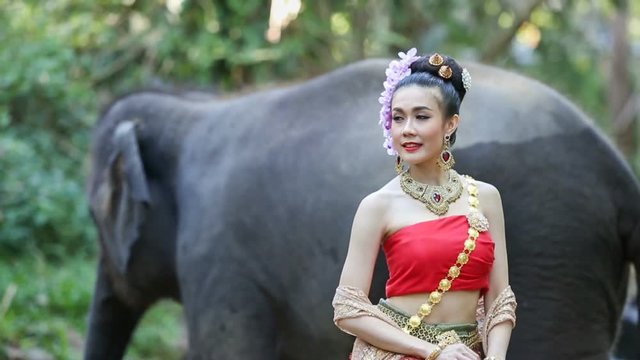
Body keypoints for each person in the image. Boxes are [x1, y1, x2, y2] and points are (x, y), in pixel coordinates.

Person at [332, 49, 517, 360]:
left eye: (421, 116)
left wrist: (495, 357)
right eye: (398, 117)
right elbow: (347, 307)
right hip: (399, 353)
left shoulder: (485, 198)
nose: (407, 129)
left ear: (450, 124)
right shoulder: (377, 206)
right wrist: (432, 352)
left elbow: (500, 300)